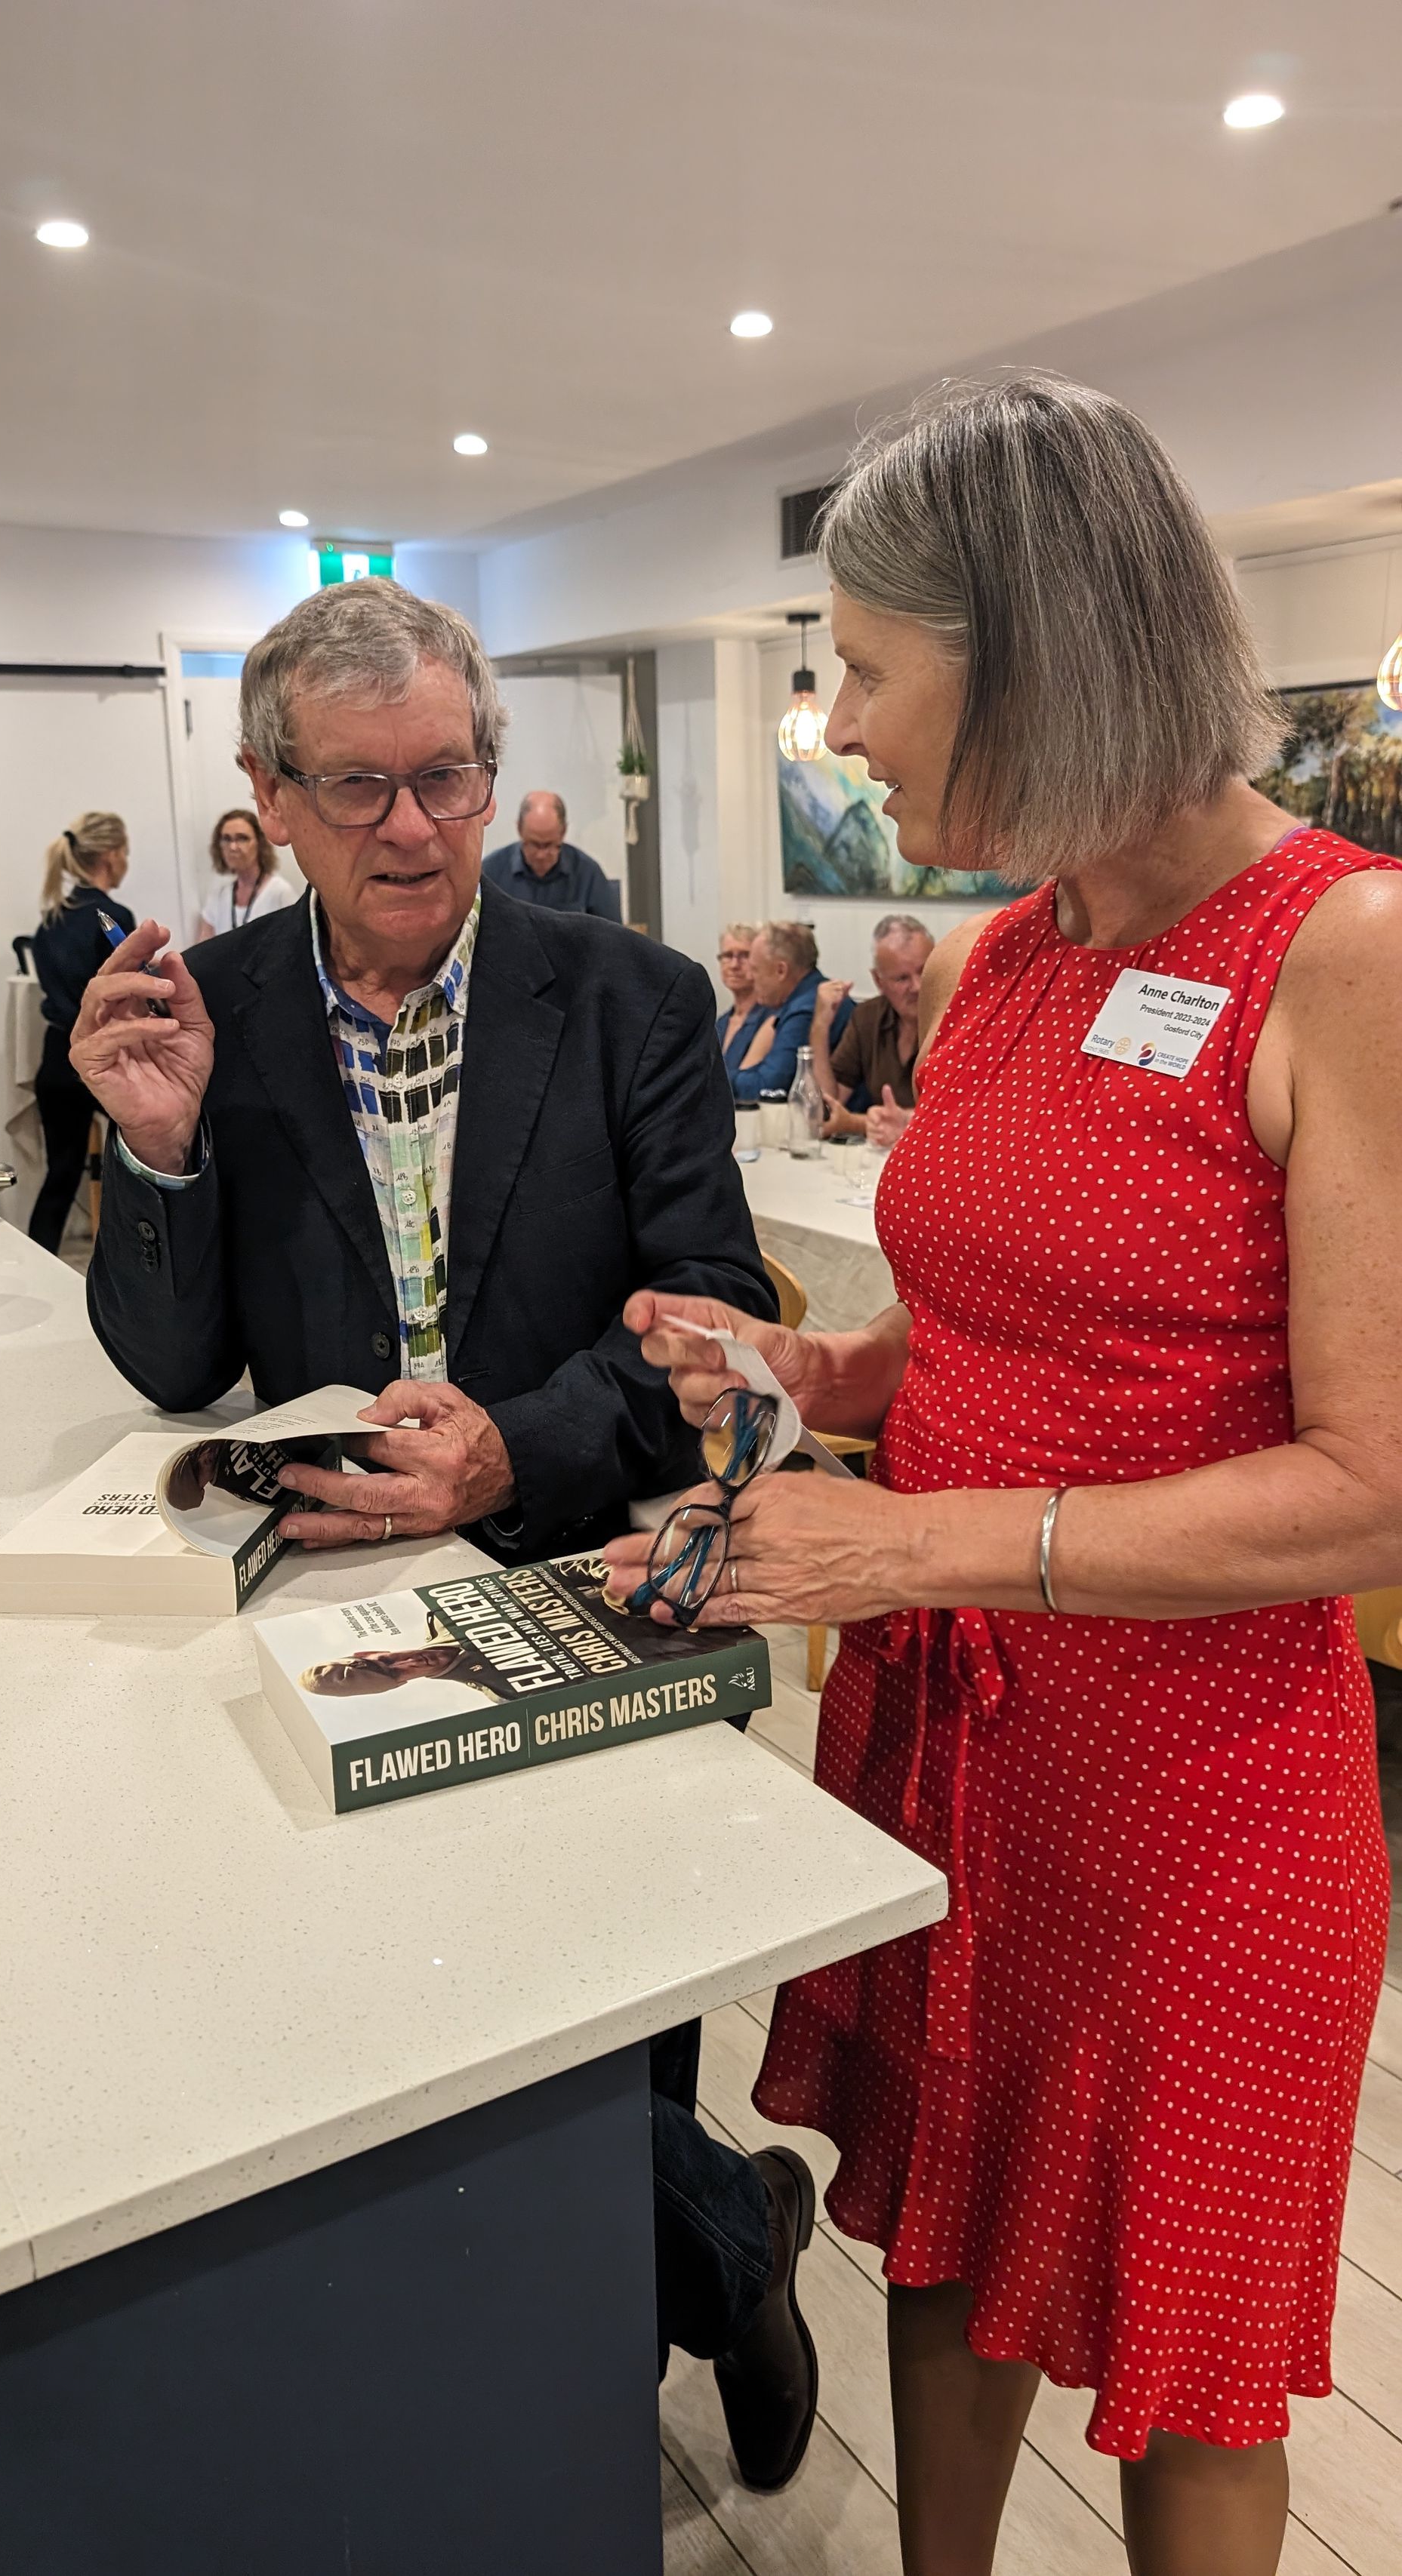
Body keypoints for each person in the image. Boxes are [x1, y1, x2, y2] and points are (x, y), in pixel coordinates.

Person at [600, 375, 1401, 2576]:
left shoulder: (1341, 955)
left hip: (1194, 1788)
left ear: (1031, 645)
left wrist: (927, 1530)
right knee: (943, 2234)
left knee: (1178, 2350)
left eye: (862, 665)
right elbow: (994, 1316)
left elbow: (1371, 1487)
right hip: (960, 1733)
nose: (836, 724)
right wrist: (815, 1360)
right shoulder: (1004, 958)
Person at [69, 574, 817, 2491]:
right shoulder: (210, 1010)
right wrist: (153, 1154)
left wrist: (519, 1450)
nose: (415, 827)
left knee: (601, 2030)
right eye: (363, 786)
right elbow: (174, 1371)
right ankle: (729, 2244)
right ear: (273, 795)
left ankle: (654, 2318)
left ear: (495, 772)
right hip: (327, 1608)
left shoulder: (630, 995)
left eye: (452, 777)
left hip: (587, 1571)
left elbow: (713, 1308)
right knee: (382, 2032)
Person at [27, 811, 134, 1254]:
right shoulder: (111, 917)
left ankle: (38, 1260)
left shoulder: (49, 921)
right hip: (104, 1054)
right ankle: (143, 1262)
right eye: (125, 851)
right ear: (111, 856)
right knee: (142, 1162)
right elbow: (127, 994)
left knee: (61, 1173)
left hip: (57, 1058)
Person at [811, 912, 933, 1144]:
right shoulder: (867, 1018)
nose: (917, 987)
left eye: (924, 971)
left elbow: (967, 1116)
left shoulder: (961, 1019)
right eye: (901, 979)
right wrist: (820, 1026)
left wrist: (856, 1123)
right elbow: (826, 1109)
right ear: (878, 981)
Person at [729, 920, 851, 1103]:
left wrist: (712, 1077)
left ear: (781, 971)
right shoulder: (805, 998)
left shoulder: (805, 1010)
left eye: (755, 969)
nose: (749, 977)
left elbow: (769, 1086)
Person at [482, 789, 622, 920]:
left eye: (549, 845)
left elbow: (613, 938)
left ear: (563, 832)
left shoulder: (588, 874)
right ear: (519, 829)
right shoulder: (491, 872)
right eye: (534, 844)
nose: (541, 855)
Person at [192, 808, 297, 940]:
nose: (233, 847)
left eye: (242, 839)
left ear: (260, 843)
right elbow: (203, 951)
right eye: (227, 839)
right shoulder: (218, 896)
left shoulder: (280, 892)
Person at [713, 920, 772, 1089]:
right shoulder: (721, 1023)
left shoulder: (771, 1018)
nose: (734, 965)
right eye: (728, 956)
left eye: (744, 956)